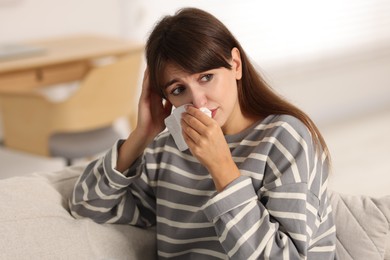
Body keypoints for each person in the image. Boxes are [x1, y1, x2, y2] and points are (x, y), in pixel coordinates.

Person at [69, 7, 336, 259]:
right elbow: (87, 204)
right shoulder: (166, 148)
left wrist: (222, 167)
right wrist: (141, 135)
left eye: (206, 77)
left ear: (236, 64)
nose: (197, 102)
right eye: (178, 89)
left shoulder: (284, 138)